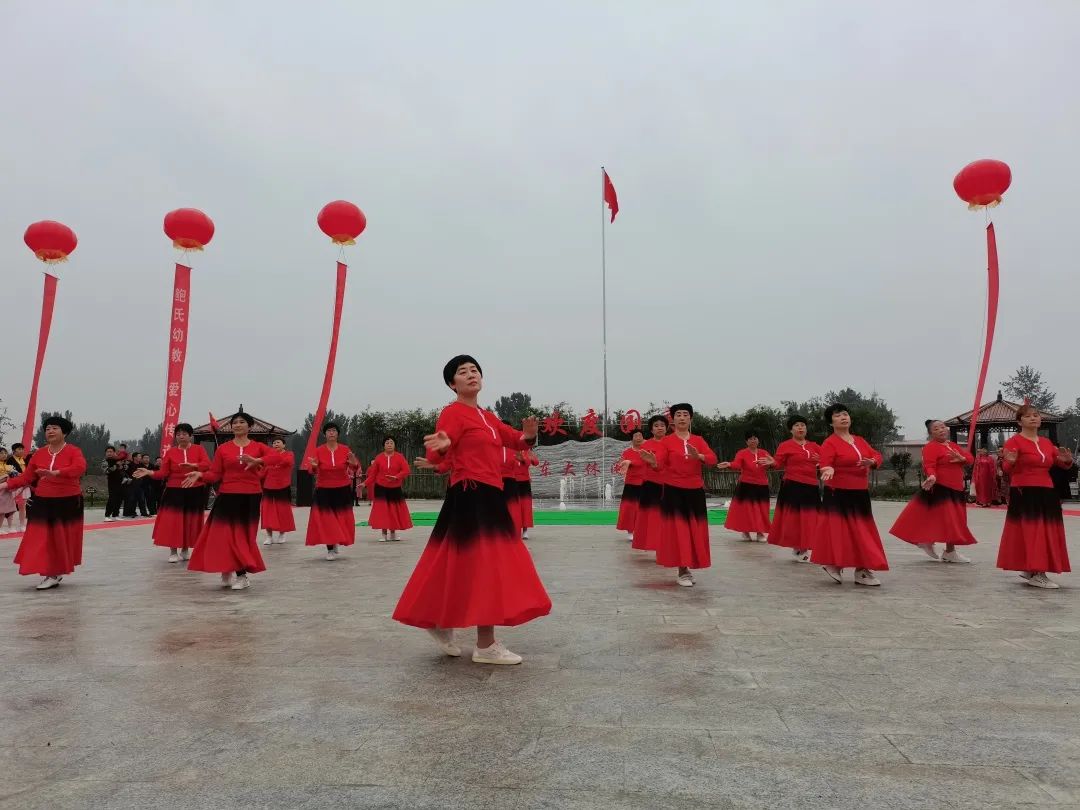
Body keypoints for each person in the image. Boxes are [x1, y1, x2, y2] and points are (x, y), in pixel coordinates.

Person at [393, 355, 550, 666]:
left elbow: (516, 440)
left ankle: (437, 621)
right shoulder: (452, 413)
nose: (470, 374)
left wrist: (530, 434)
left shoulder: (488, 417)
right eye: (462, 372)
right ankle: (485, 645)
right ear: (453, 384)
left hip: (489, 495)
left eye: (474, 370)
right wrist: (442, 445)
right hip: (470, 494)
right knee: (486, 566)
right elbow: (440, 447)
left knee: (458, 564)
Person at [183, 412, 268, 590]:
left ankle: (240, 574)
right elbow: (215, 474)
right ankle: (234, 571)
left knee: (243, 537)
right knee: (224, 535)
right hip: (227, 496)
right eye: (234, 422)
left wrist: (258, 460)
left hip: (250, 496)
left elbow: (280, 458)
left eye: (242, 422)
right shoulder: (223, 449)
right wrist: (200, 475)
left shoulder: (259, 447)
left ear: (250, 426)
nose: (237, 425)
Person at [0, 416, 87, 589]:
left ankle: (54, 573)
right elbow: (26, 477)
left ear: (64, 432)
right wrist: (5, 485)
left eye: (54, 428)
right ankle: (50, 572)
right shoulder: (39, 454)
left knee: (60, 539)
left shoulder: (73, 451)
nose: (50, 431)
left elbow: (80, 467)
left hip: (67, 501)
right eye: (47, 429)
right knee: (40, 537)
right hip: (43, 500)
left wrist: (57, 473)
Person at [996, 404, 1074, 589]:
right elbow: (1007, 468)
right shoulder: (1014, 442)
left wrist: (1067, 460)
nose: (1033, 418)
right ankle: (1038, 573)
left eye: (1036, 415)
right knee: (1033, 531)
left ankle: (1030, 567)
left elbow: (1061, 463)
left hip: (1047, 490)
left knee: (1046, 531)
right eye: (1028, 416)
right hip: (1025, 490)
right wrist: (1010, 462)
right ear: (1019, 421)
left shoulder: (1046, 443)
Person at [811, 403, 889, 586]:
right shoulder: (830, 442)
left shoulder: (859, 440)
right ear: (831, 423)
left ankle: (862, 570)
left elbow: (877, 455)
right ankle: (833, 564)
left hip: (860, 493)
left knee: (863, 531)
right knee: (839, 531)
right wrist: (828, 468)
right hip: (837, 493)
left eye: (845, 414)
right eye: (838, 415)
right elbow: (825, 462)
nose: (843, 417)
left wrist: (873, 461)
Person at [642, 403, 717, 587]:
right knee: (679, 530)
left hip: (695, 490)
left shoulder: (699, 440)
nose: (682, 418)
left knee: (694, 529)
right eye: (678, 415)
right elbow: (660, 464)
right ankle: (682, 570)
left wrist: (699, 456)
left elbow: (712, 459)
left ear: (690, 418)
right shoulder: (667, 441)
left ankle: (689, 565)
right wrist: (653, 462)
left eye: (685, 414)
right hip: (673, 490)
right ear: (673, 420)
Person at [889, 420, 977, 563]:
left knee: (953, 521)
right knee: (947, 520)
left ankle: (944, 549)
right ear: (931, 433)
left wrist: (962, 458)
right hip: (942, 488)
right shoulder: (931, 447)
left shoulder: (953, 446)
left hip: (956, 489)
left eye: (942, 427)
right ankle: (938, 546)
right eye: (936, 429)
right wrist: (932, 475)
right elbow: (929, 465)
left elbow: (970, 459)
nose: (941, 430)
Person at [134, 424, 210, 563]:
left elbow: (207, 465)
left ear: (191, 436)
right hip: (174, 491)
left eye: (184, 434)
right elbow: (163, 473)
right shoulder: (170, 452)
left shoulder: (199, 449)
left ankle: (185, 549)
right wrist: (149, 472)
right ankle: (173, 551)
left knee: (189, 520)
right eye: (178, 434)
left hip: (195, 489)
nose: (181, 436)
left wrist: (194, 465)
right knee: (173, 521)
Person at [768, 415, 822, 562]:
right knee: (795, 519)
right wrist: (772, 463)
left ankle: (804, 547)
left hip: (811, 487)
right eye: (797, 425)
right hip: (792, 486)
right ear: (791, 430)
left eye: (803, 425)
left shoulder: (814, 446)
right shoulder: (785, 445)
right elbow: (778, 463)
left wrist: (822, 461)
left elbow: (826, 461)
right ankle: (800, 548)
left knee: (811, 518)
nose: (800, 428)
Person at [305, 422, 359, 560]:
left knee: (340, 519)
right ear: (325, 434)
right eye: (328, 431)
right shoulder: (318, 450)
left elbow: (354, 467)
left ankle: (335, 541)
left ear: (338, 434)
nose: (331, 433)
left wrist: (354, 463)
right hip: (324, 489)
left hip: (342, 489)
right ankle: (330, 549)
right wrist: (314, 466)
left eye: (334, 430)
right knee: (327, 520)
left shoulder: (345, 449)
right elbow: (311, 470)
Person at [719, 430, 774, 541]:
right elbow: (737, 464)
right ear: (746, 441)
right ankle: (745, 532)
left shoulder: (764, 453)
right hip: (746, 485)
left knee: (762, 510)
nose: (753, 440)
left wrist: (772, 462)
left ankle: (760, 533)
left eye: (755, 438)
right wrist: (729, 464)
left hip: (762, 485)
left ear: (758, 440)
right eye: (750, 439)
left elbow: (772, 464)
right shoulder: (742, 453)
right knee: (746, 510)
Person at [631, 415, 669, 554]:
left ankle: (667, 544)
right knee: (651, 516)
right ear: (652, 430)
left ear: (666, 428)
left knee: (668, 516)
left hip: (669, 484)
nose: (660, 428)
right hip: (651, 484)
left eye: (662, 425)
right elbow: (640, 462)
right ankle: (654, 544)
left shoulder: (671, 443)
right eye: (656, 426)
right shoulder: (646, 445)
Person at [368, 436, 413, 542]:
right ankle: (384, 534)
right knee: (383, 511)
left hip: (395, 488)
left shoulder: (400, 457)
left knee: (393, 511)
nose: (389, 445)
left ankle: (393, 533)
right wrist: (364, 483)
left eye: (391, 443)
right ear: (384, 445)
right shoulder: (379, 457)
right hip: (381, 488)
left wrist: (396, 477)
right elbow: (373, 474)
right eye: (387, 443)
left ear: (395, 445)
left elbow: (406, 470)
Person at [260, 435, 296, 545]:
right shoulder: (269, 456)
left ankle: (282, 534)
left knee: (282, 511)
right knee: (267, 512)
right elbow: (262, 472)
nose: (276, 444)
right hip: (268, 486)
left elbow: (287, 462)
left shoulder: (289, 454)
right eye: (274, 443)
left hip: (283, 486)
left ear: (284, 445)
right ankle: (269, 536)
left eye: (278, 442)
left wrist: (273, 458)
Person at [615, 430, 646, 541]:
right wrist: (622, 468)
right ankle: (630, 531)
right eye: (636, 436)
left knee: (644, 508)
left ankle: (643, 531)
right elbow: (621, 465)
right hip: (631, 484)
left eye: (640, 435)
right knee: (630, 508)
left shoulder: (646, 451)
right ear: (632, 439)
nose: (638, 438)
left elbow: (644, 463)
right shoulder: (627, 452)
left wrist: (631, 462)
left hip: (645, 483)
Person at [514, 448, 539, 539]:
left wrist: (526, 457)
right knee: (514, 506)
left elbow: (536, 462)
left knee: (525, 506)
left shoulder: (527, 451)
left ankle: (525, 531)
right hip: (512, 481)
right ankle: (515, 530)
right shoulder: (509, 450)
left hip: (524, 482)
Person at [8, 443, 31, 532]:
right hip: (14, 485)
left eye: (22, 449)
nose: (22, 451)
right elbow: (10, 473)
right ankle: (10, 526)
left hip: (24, 485)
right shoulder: (10, 460)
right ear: (14, 451)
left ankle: (22, 525)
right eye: (19, 449)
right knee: (11, 506)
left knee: (22, 506)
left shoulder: (24, 460)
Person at [101, 446, 127, 521]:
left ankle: (115, 514)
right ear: (105, 453)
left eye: (111, 451)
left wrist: (123, 465)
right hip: (112, 482)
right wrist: (116, 466)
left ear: (114, 452)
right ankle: (107, 516)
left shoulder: (118, 459)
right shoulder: (105, 461)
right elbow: (106, 471)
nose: (109, 453)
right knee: (112, 498)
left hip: (120, 481)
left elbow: (124, 469)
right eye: (107, 452)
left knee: (119, 498)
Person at [0, 448, 17, 534]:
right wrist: (5, 476)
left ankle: (6, 527)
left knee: (7, 509)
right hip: (1, 490)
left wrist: (14, 475)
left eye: (5, 453)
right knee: (1, 510)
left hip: (8, 490)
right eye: (1, 453)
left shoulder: (9, 466)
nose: (4, 455)